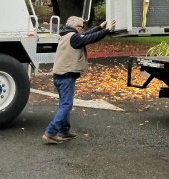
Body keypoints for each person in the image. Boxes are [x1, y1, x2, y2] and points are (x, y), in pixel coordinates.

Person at [42, 16, 116, 144]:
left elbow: (85, 35)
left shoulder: (67, 35)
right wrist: (107, 30)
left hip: (59, 75)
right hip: (66, 76)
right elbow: (89, 38)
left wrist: (100, 27)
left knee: (64, 104)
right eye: (81, 26)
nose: (83, 29)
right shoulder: (74, 37)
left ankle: (64, 131)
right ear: (76, 26)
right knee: (66, 105)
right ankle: (51, 132)